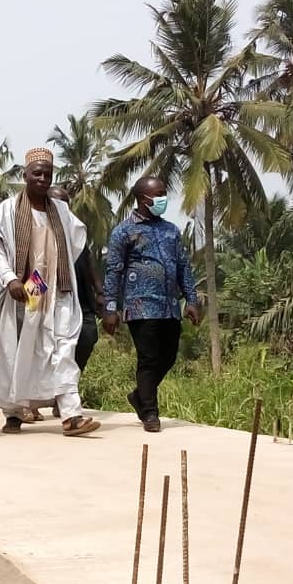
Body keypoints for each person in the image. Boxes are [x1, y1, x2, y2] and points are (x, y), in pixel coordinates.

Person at [0, 148, 101, 437]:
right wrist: (10, 279)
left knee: (63, 349)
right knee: (15, 351)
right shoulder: (7, 210)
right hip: (26, 290)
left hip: (56, 288)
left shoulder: (62, 212)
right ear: (25, 175)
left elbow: (76, 243)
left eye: (47, 174)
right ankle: (13, 412)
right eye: (37, 173)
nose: (42, 178)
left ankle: (71, 414)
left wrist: (56, 267)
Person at [102, 176, 202, 433]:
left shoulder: (171, 230)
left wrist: (191, 299)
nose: (162, 199)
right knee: (148, 358)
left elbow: (183, 266)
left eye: (164, 193)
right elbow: (114, 271)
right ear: (142, 199)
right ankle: (149, 412)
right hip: (140, 307)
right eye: (158, 194)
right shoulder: (123, 232)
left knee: (167, 357)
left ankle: (139, 395)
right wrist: (110, 309)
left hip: (169, 306)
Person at [49, 186, 104, 374]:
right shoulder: (39, 229)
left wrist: (100, 292)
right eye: (57, 203)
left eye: (65, 203)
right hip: (51, 303)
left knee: (88, 337)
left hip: (82, 302)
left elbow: (89, 262)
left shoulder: (78, 230)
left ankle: (69, 384)